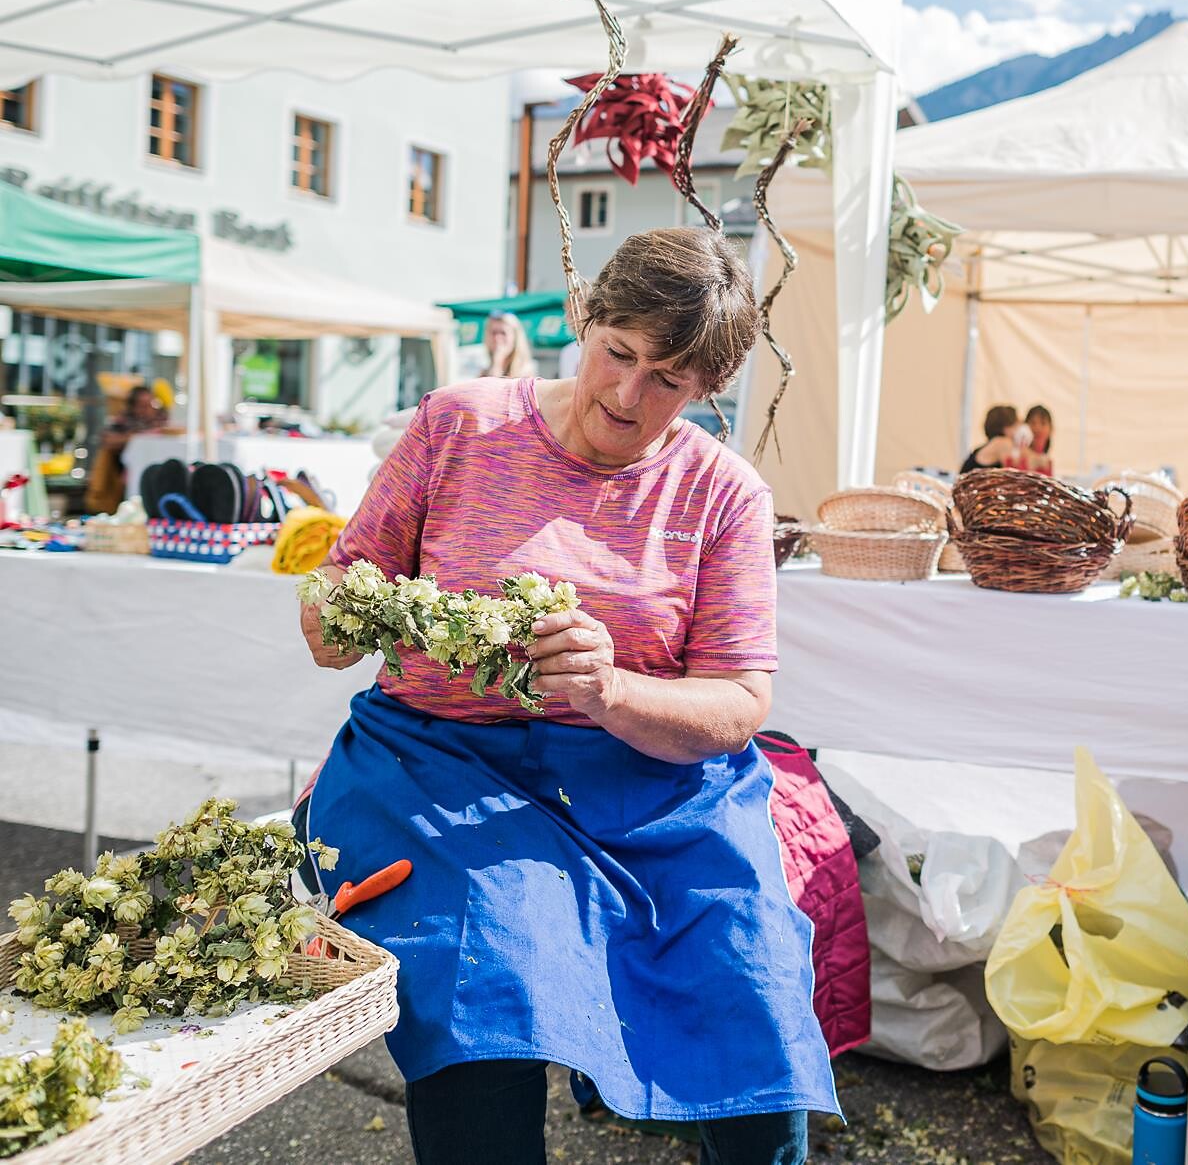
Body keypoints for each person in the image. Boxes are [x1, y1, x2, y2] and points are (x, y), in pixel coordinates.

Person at [295, 227, 829, 1165]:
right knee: (486, 976)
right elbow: (331, 609)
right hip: (436, 768)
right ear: (586, 319)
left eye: (667, 380)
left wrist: (613, 689)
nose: (629, 393)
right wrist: (370, 614)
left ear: (707, 389)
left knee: (752, 981)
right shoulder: (458, 424)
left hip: (650, 786)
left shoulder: (723, 494)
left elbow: (741, 702)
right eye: (618, 353)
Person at [85, 383, 169, 514]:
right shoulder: (123, 420)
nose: (147, 409)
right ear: (133, 406)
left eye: (151, 404)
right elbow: (107, 439)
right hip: (119, 473)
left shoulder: (161, 419)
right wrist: (133, 438)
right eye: (142, 405)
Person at [960, 404, 1021, 474]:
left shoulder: (989, 445)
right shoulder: (1003, 443)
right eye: (1017, 424)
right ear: (1007, 428)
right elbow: (1017, 475)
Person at [480, 311, 537, 379]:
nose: (497, 338)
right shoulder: (484, 372)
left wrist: (497, 363)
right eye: (494, 333)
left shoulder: (526, 370)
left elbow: (496, 387)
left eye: (503, 333)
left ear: (515, 337)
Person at [1014, 404, 1056, 476]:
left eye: (1043, 423)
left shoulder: (1048, 462)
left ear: (1051, 429)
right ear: (1025, 427)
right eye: (1033, 423)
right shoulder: (1015, 454)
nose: (1037, 428)